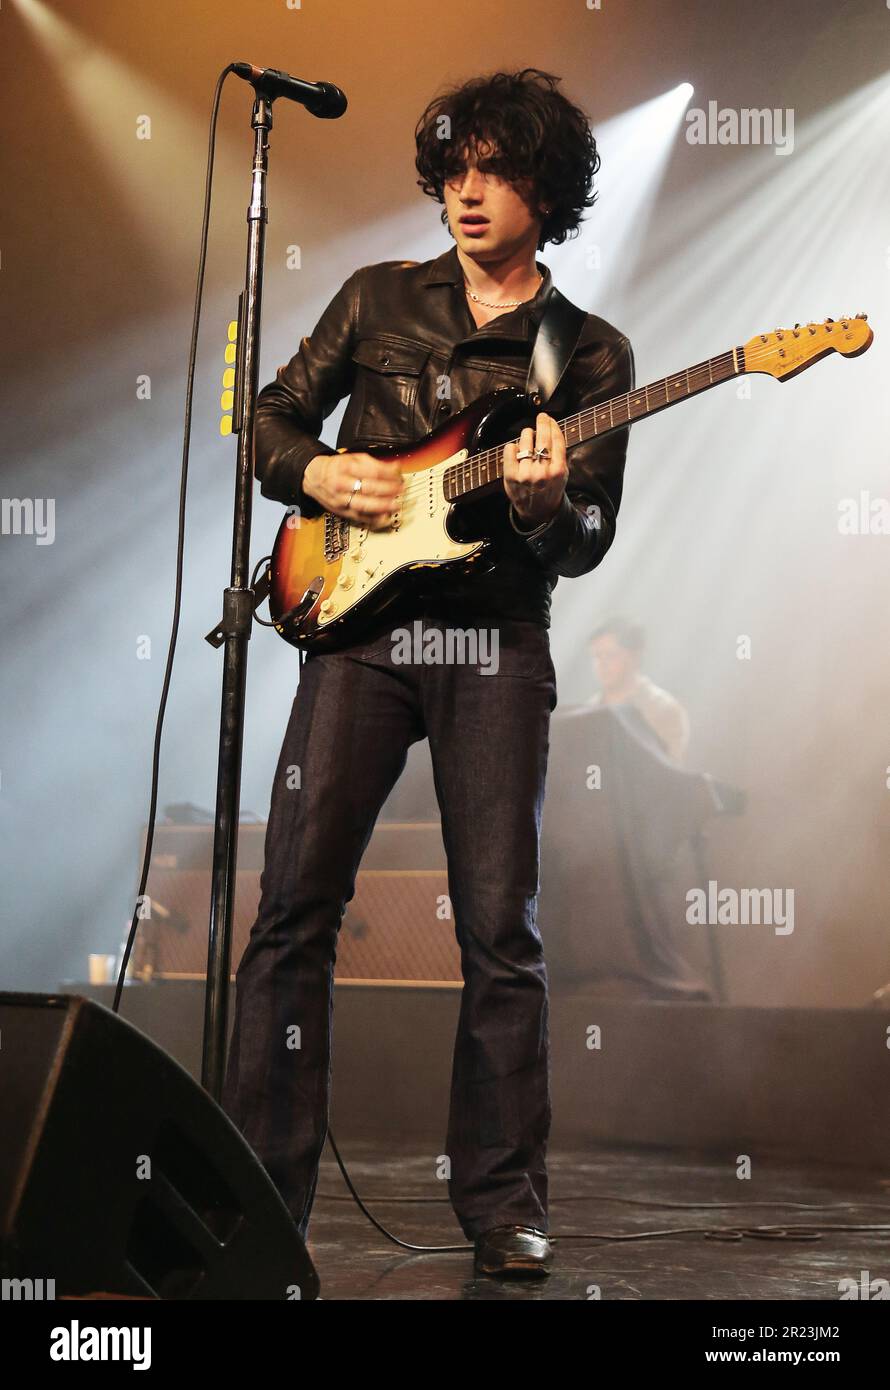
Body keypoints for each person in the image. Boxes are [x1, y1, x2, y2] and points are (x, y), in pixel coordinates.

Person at [222, 67, 635, 1280]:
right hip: (351, 630)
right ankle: (254, 1195)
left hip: (494, 641)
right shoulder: (375, 297)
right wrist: (317, 476)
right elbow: (268, 420)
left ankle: (503, 1207)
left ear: (543, 190)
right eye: (454, 169)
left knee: (500, 929)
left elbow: (589, 541)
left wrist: (552, 506)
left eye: (496, 170)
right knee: (292, 913)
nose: (467, 190)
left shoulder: (587, 353)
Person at [588, 618, 690, 764]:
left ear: (634, 656)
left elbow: (669, 773)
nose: (602, 664)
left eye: (611, 655)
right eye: (597, 656)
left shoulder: (664, 709)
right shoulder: (589, 710)